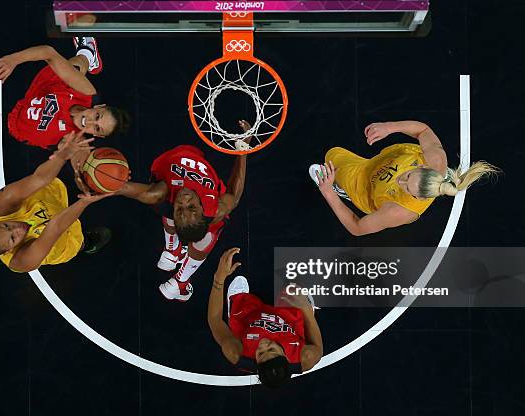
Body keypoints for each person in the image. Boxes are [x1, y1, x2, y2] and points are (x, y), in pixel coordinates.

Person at [111, 121, 250, 301]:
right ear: (201, 208)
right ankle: (179, 277)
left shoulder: (159, 194)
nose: (184, 200)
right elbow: (234, 193)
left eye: (180, 209)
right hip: (197, 157)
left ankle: (174, 258)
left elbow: (121, 188)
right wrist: (243, 146)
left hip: (171, 157)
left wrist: (98, 181)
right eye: (191, 206)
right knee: (212, 228)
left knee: (166, 199)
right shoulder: (215, 209)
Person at [309, 120, 499, 236]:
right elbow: (423, 130)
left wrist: (328, 193)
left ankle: (342, 190)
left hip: (366, 186)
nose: (400, 180)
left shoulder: (399, 211)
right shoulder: (436, 159)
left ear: (419, 198)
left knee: (331, 156)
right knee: (333, 153)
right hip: (380, 162)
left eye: (407, 188)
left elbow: (357, 227)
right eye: (408, 176)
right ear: (424, 166)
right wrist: (390, 127)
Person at [0, 131, 114, 272]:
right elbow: (55, 227)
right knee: (77, 243)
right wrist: (85, 202)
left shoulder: (3, 204)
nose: (18, 229)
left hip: (53, 195)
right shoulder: (21, 261)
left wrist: (63, 155)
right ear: (7, 251)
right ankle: (87, 243)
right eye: (13, 238)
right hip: (61, 240)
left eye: (7, 226)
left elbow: (39, 178)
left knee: (67, 180)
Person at [207, 248, 324, 388]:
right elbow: (317, 346)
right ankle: (300, 304)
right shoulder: (307, 357)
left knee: (239, 312)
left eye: (261, 353)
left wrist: (219, 279)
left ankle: (237, 303)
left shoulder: (235, 353)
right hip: (287, 320)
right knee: (294, 291)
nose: (264, 345)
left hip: (249, 318)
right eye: (272, 350)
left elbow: (215, 320)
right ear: (286, 357)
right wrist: (306, 311)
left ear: (256, 363)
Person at [0, 37, 130, 149]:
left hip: (17, 130)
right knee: (74, 68)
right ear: (99, 107)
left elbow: (78, 159)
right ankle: (87, 53)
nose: (90, 122)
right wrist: (13, 60)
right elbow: (49, 52)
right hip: (41, 90)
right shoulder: (85, 92)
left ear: (97, 136)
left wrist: (74, 165)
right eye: (97, 116)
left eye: (97, 128)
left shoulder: (74, 142)